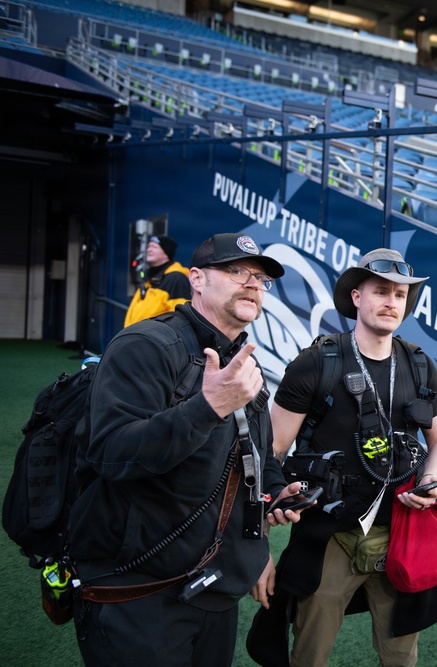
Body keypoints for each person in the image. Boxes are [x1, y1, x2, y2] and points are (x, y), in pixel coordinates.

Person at [69, 232, 308, 667]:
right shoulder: (144, 346)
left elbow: (255, 451)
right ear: (196, 279)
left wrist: (274, 490)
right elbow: (110, 452)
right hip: (137, 590)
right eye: (236, 271)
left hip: (213, 586)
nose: (252, 284)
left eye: (261, 279)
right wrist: (207, 407)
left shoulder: (243, 360)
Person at [263, 247, 437, 667]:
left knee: (401, 656)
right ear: (356, 297)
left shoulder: (419, 365)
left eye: (400, 295)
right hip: (329, 533)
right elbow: (272, 450)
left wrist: (429, 480)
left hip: (399, 533)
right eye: (381, 291)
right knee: (309, 653)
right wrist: (273, 503)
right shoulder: (316, 362)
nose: (391, 302)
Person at [124, 234, 192, 327]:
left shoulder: (176, 278)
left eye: (154, 247)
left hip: (153, 335)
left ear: (166, 253)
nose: (149, 250)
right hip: (137, 333)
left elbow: (180, 318)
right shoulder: (150, 278)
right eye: (148, 247)